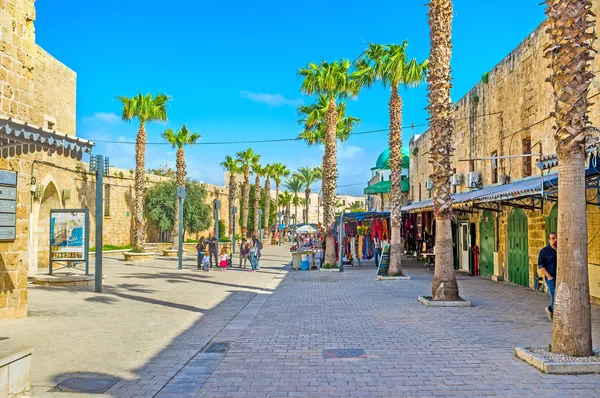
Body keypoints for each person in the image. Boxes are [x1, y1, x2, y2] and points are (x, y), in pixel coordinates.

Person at [538, 232, 558, 321]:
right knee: (554, 296)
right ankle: (556, 316)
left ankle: (550, 309)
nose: (556, 240)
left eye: (557, 238)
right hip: (551, 278)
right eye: (553, 238)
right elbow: (541, 266)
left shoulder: (562, 250)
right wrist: (548, 276)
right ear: (549, 240)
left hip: (561, 277)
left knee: (560, 297)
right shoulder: (544, 251)